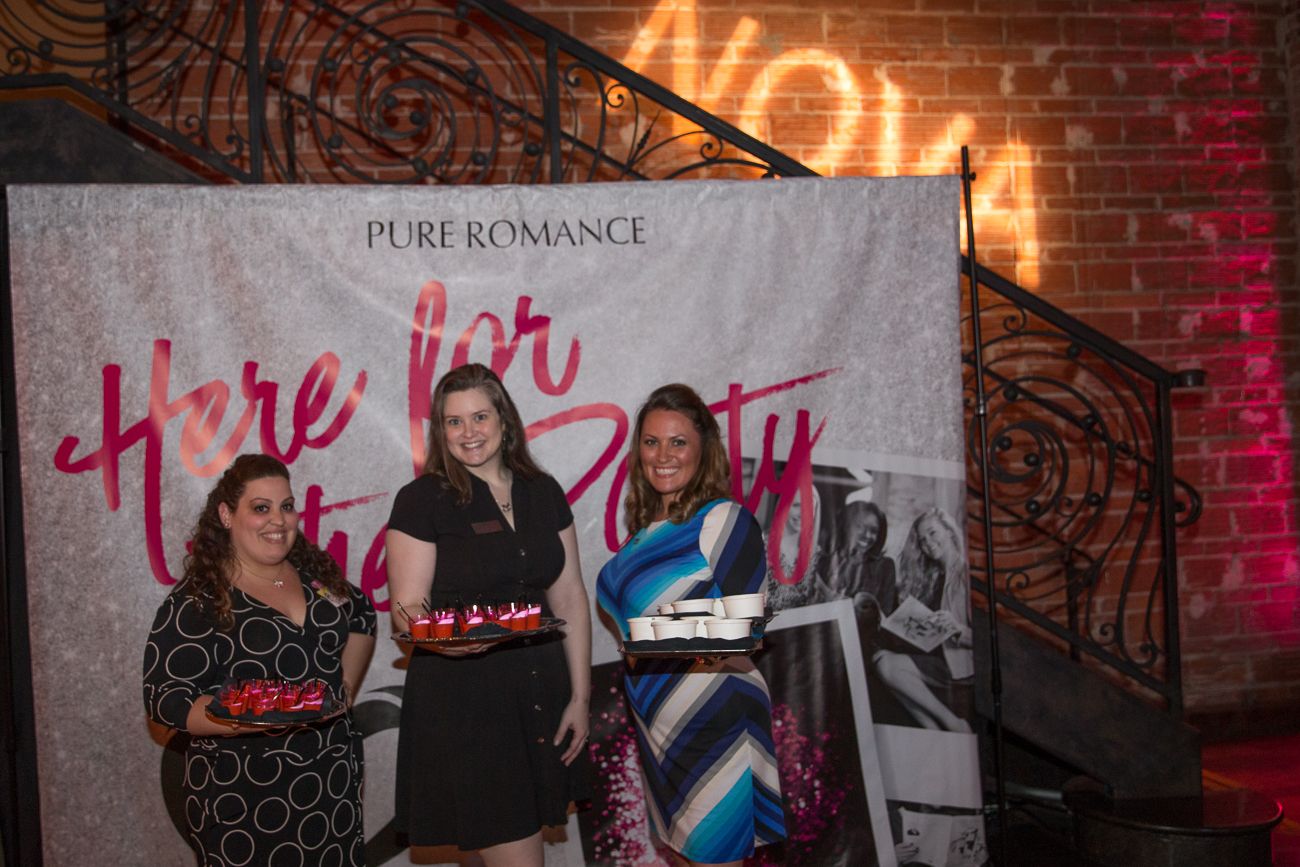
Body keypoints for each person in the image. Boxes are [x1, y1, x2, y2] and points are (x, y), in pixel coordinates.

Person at [385, 363, 592, 867]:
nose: (468, 432)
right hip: (468, 704)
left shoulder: (543, 491)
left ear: (504, 419)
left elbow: (569, 596)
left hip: (541, 693)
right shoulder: (422, 500)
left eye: (480, 416)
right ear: (440, 430)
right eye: (453, 422)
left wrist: (581, 698)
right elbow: (406, 608)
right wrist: (448, 642)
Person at [142, 453, 377, 866]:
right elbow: (166, 699)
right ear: (226, 515)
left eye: (286, 506)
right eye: (261, 508)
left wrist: (343, 690)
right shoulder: (201, 599)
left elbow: (360, 613)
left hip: (331, 785)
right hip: (246, 794)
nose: (278, 520)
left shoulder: (315, 577)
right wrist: (248, 716)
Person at [596, 383, 786, 867]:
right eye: (651, 441)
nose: (663, 455)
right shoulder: (642, 535)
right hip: (658, 727)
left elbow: (746, 629)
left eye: (678, 442)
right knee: (683, 857)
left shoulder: (722, 519)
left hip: (714, 721)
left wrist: (656, 635)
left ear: (703, 451)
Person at [870, 507, 973, 733]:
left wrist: (957, 629)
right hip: (941, 659)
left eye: (933, 533)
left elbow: (984, 641)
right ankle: (933, 728)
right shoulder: (936, 577)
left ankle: (953, 724)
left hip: (961, 667)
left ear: (949, 531)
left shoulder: (965, 574)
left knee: (886, 665)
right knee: (880, 659)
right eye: (923, 540)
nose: (928, 543)